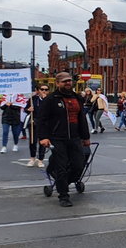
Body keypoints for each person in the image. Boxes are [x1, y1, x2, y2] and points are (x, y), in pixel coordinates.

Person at [37, 72, 90, 207]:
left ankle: (62, 180)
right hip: (57, 138)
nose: (67, 83)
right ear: (58, 83)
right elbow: (41, 119)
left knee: (79, 165)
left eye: (69, 81)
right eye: (64, 81)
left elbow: (82, 119)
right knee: (61, 167)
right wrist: (43, 137)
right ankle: (64, 196)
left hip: (75, 137)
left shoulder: (77, 98)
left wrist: (86, 137)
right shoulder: (51, 99)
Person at [24, 85, 48, 167]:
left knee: (43, 142)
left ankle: (40, 160)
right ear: (38, 91)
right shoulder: (33, 99)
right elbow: (25, 109)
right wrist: (28, 109)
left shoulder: (49, 100)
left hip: (44, 124)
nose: (44, 91)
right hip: (34, 122)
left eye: (46, 89)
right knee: (32, 141)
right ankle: (32, 158)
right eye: (42, 89)